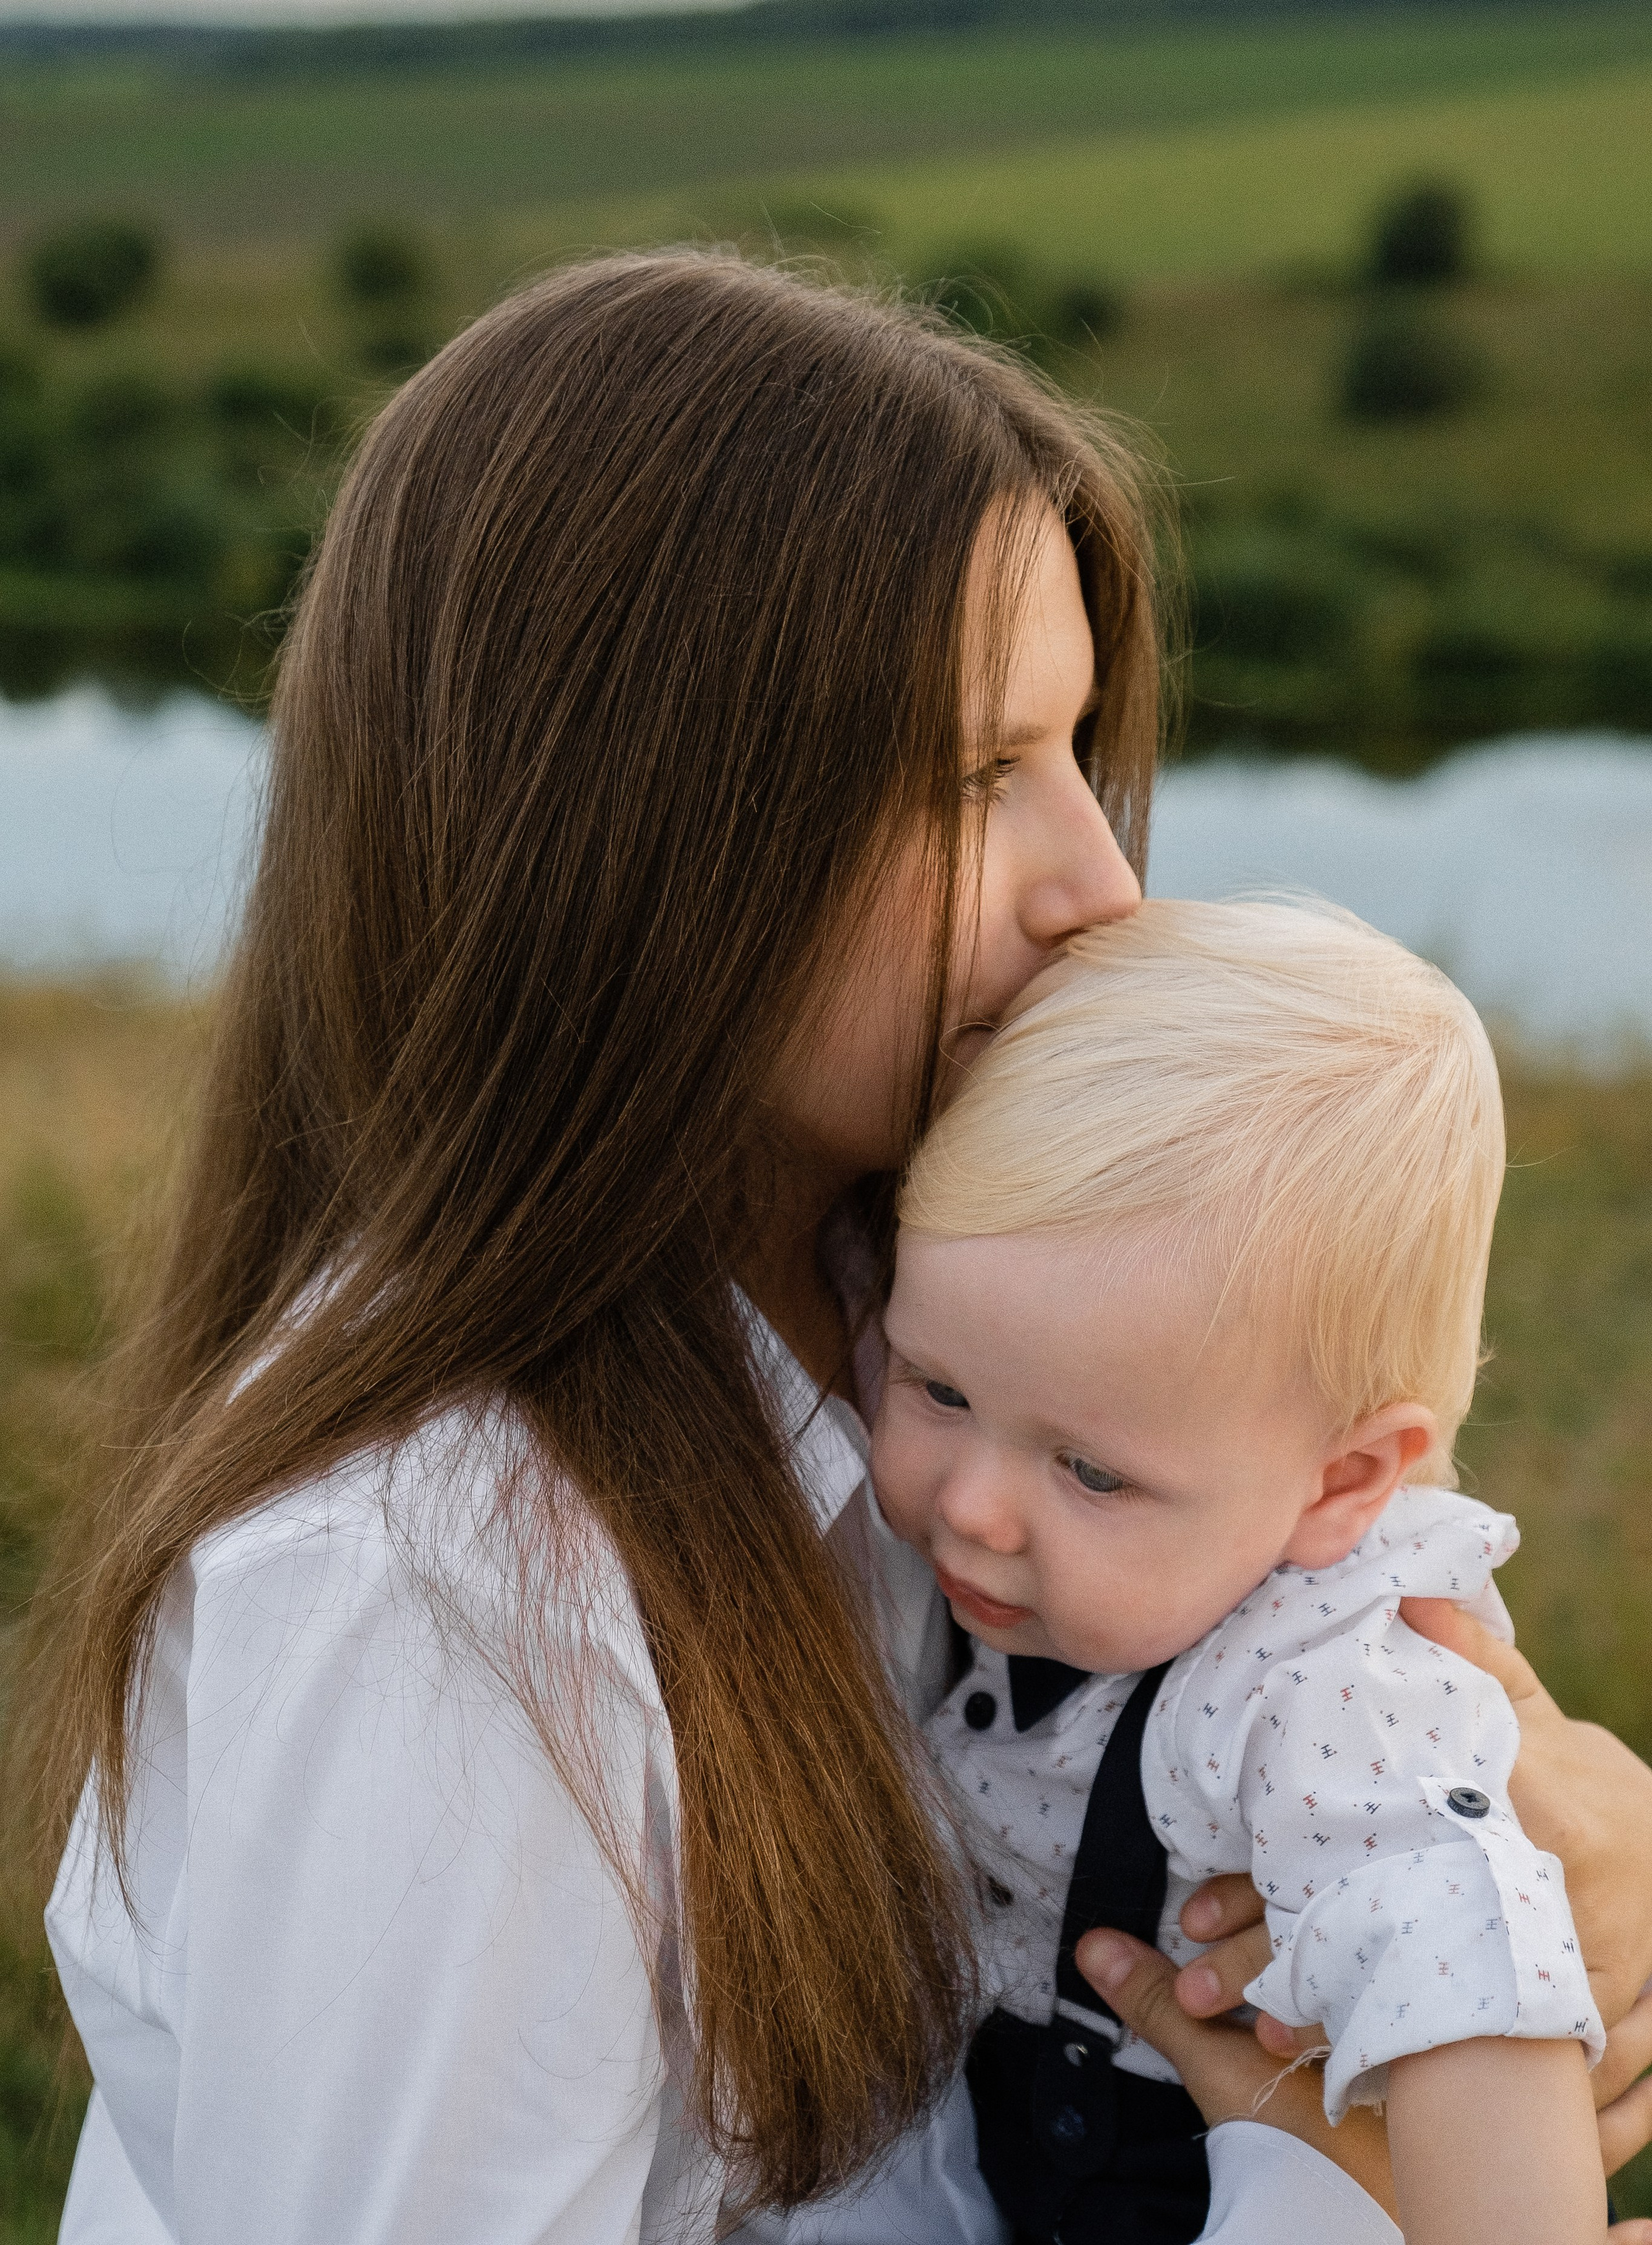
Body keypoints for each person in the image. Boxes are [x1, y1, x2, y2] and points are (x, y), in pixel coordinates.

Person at [18, 254, 1652, 2245]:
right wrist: (1326, 2195)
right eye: (979, 774)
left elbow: (1347, 1643)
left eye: (1078, 748)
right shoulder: (444, 1585)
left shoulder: (939, 1312)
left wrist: (1555, 1813)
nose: (1106, 885)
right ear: (623, 830)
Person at [873, 897, 1649, 2244]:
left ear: (1343, 1482)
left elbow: (1471, 1992)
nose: (973, 1507)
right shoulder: (1092, 1515)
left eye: (1091, 1473)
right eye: (935, 1386)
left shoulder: (1325, 1682)